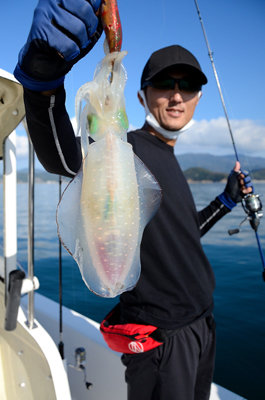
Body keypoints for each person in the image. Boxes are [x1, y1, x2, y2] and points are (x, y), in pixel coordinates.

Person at [14, 1, 253, 399]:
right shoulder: (126, 150)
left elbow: (184, 233)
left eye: (188, 86)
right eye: (164, 85)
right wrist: (43, 81)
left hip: (203, 325)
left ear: (196, 99)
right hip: (159, 341)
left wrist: (225, 202)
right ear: (141, 97)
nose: (176, 96)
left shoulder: (171, 158)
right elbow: (62, 158)